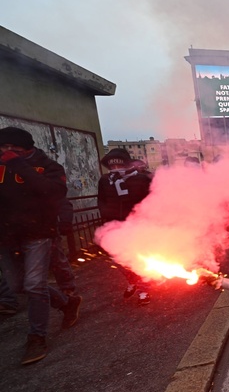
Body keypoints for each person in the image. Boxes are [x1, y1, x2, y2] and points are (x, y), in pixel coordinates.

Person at [0, 126, 81, 365]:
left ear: (24, 148)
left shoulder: (47, 167)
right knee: (18, 285)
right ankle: (67, 304)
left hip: (38, 233)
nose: (4, 152)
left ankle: (37, 337)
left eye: (9, 148)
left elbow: (53, 192)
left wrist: (18, 165)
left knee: (35, 284)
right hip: (6, 236)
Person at [97, 149, 154, 305]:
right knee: (119, 259)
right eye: (112, 167)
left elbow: (151, 200)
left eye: (119, 166)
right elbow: (101, 201)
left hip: (138, 224)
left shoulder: (142, 179)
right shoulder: (104, 181)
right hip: (115, 225)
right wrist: (107, 217)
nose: (116, 170)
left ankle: (144, 290)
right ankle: (133, 280)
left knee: (139, 258)